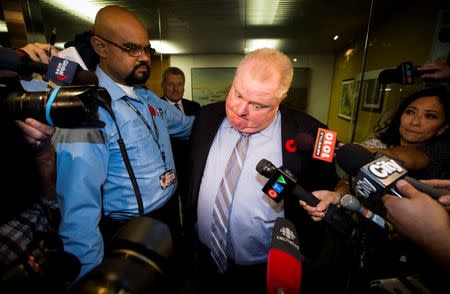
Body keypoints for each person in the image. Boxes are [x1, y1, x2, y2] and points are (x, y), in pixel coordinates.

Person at [184, 48, 347, 293]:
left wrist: (337, 195)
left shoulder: (311, 133)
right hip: (203, 255)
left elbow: (337, 185)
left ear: (280, 100)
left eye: (258, 105)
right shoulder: (207, 117)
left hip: (266, 268)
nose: (240, 110)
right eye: (237, 94)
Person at [52, 5, 194, 279]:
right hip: (128, 231)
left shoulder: (149, 99)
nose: (144, 58)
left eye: (146, 49)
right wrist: (91, 279)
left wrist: (237, 112)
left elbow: (189, 128)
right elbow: (79, 214)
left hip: (169, 218)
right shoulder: (88, 112)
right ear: (100, 46)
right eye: (132, 49)